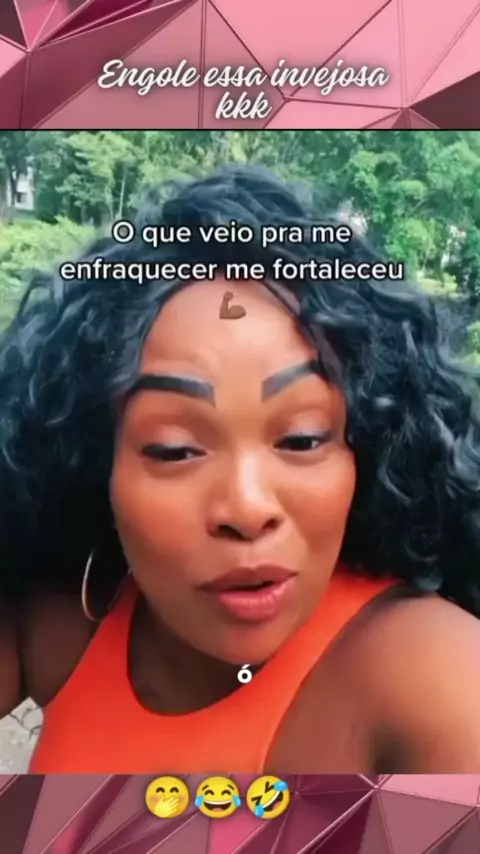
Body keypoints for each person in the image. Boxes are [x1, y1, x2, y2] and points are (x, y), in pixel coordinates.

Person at [2, 164, 480, 775]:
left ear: (367, 447)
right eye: (175, 449)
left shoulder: (438, 676)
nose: (248, 508)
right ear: (99, 463)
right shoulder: (66, 619)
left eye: (302, 439)